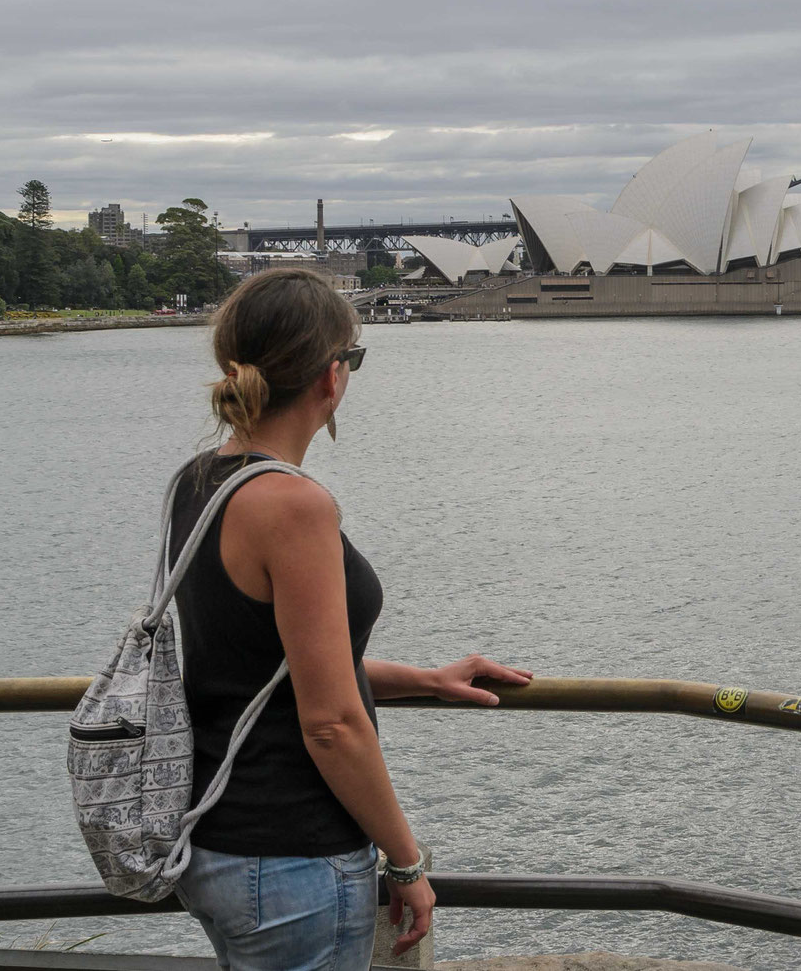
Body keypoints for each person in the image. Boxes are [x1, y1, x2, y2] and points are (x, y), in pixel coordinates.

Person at [169, 267, 531, 970]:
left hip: (218, 843)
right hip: (293, 858)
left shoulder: (197, 482)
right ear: (331, 376)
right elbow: (329, 721)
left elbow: (271, 668)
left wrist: (426, 679)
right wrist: (405, 861)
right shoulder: (293, 505)